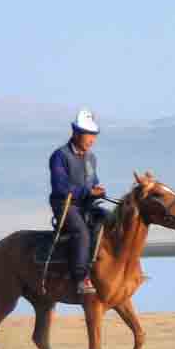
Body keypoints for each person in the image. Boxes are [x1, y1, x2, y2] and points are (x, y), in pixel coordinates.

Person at [47, 109, 113, 297]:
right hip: (65, 205)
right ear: (76, 133)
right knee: (81, 232)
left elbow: (93, 181)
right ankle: (81, 278)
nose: (92, 140)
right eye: (88, 135)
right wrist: (87, 191)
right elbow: (60, 187)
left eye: (94, 136)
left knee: (112, 220)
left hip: (86, 204)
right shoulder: (60, 155)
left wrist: (98, 191)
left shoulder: (92, 158)